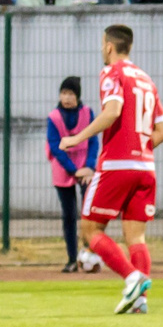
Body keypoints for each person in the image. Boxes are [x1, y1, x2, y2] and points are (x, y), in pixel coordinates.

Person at [60, 23, 163, 315]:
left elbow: (112, 111)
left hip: (117, 164)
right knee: (136, 236)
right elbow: (162, 132)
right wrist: (140, 150)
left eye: (102, 45)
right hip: (145, 167)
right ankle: (140, 300)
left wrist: (76, 138)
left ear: (109, 46)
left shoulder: (112, 73)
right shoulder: (146, 79)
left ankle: (132, 278)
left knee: (89, 228)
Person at [47, 75, 98, 275]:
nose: (67, 98)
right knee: (69, 216)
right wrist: (73, 170)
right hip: (64, 169)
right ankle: (71, 259)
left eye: (71, 94)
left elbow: (93, 141)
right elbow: (55, 147)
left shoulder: (87, 113)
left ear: (78, 96)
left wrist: (89, 167)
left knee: (89, 214)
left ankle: (88, 255)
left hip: (85, 170)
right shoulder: (54, 118)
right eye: (64, 93)